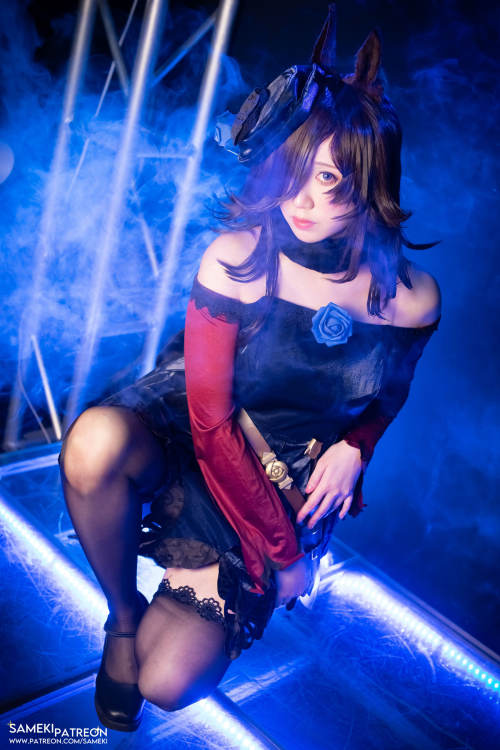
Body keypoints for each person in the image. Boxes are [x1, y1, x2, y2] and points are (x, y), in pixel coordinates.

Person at [58, 4, 441, 733]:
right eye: (292, 172)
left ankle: (166, 616)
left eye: (327, 178)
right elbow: (209, 426)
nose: (301, 199)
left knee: (167, 683)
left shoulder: (412, 299)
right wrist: (286, 554)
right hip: (197, 436)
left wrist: (356, 448)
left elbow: (388, 396)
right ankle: (122, 615)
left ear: (370, 179)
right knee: (93, 444)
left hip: (280, 469)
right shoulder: (237, 258)